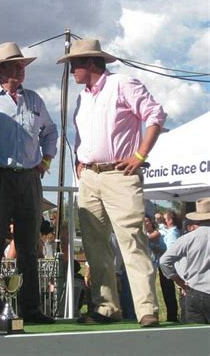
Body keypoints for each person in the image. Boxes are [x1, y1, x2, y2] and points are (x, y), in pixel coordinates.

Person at [56, 39, 167, 327]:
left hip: (120, 173)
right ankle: (106, 307)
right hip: (90, 176)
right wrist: (81, 161)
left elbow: (156, 115)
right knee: (94, 246)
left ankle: (146, 310)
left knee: (131, 240)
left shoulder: (122, 84)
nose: (72, 71)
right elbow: (82, 133)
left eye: (74, 64)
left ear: (91, 63)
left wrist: (140, 155)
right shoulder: (84, 97)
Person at [0, 42, 58, 324]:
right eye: (15, 65)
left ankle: (30, 309)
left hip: (29, 177)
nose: (20, 69)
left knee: (30, 245)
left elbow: (50, 132)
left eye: (22, 65)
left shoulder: (35, 100)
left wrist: (47, 161)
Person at [159, 197, 210, 324]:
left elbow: (164, 261)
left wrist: (179, 281)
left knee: (194, 339)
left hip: (195, 291)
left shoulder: (188, 238)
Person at [160, 210, 181, 322]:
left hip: (169, 265)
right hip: (170, 264)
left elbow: (171, 250)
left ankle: (172, 316)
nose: (163, 222)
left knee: (169, 292)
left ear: (170, 220)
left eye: (165, 219)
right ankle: (172, 314)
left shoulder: (172, 233)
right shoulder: (171, 231)